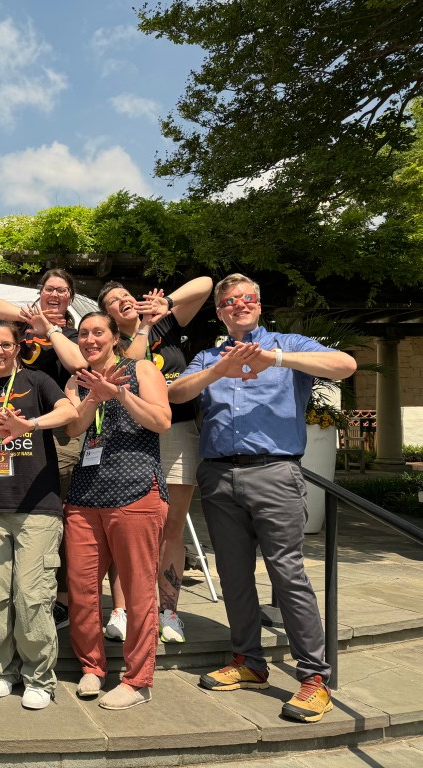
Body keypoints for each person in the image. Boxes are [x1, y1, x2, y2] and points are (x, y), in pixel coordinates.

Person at [168, 273, 357, 724]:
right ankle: (248, 662)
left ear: (259, 304)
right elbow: (176, 393)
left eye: (248, 298)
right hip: (218, 476)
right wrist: (220, 370)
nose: (240, 305)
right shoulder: (208, 355)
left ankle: (314, 678)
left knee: (287, 574)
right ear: (219, 311)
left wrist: (274, 358)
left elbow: (346, 364)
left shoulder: (288, 344)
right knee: (233, 576)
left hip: (274, 471)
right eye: (230, 301)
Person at [0, 320, 77, 710]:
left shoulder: (38, 380)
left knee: (31, 596)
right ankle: (0, 670)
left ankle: (40, 678)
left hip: (38, 509)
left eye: (5, 344)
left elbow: (67, 410)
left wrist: (28, 423)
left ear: (17, 347)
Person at [62, 312, 171, 710]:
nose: (90, 339)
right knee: (82, 588)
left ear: (113, 337)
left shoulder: (141, 368)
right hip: (86, 494)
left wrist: (121, 394)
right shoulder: (77, 380)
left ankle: (138, 680)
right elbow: (74, 430)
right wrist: (94, 395)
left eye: (97, 332)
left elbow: (162, 421)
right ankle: (92, 667)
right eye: (83, 334)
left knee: (139, 590)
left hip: (136, 491)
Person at [97, 276, 213, 644]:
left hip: (176, 431)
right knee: (124, 522)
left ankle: (168, 611)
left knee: (172, 525)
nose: (124, 300)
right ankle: (123, 609)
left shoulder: (168, 323)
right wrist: (144, 327)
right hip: (130, 435)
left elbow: (207, 284)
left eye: (126, 294)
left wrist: (168, 303)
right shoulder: (113, 341)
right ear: (108, 316)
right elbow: (130, 369)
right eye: (114, 301)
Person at [0, 268, 83, 629]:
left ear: (70, 298)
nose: (54, 295)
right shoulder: (19, 329)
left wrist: (52, 331)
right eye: (48, 289)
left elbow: (76, 363)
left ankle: (58, 599)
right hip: (9, 436)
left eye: (61, 290)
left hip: (55, 432)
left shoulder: (73, 332)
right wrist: (29, 319)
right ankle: (12, 593)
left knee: (52, 517)